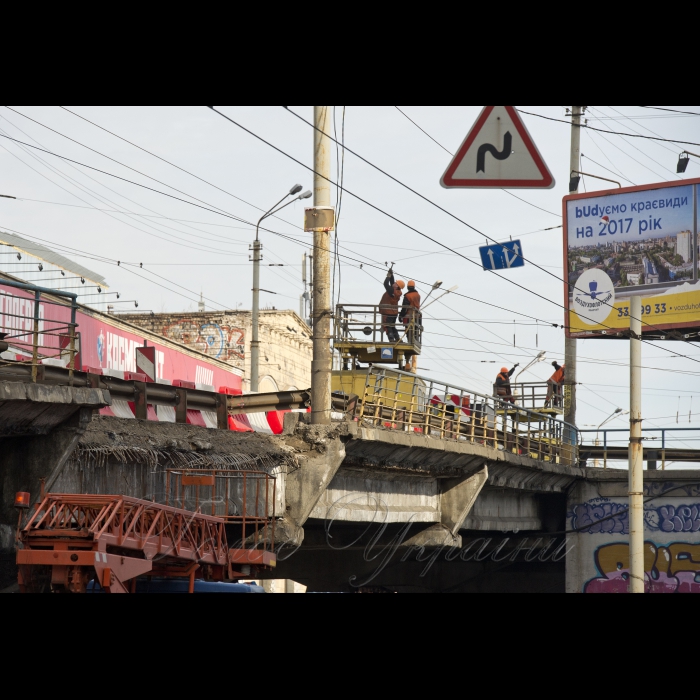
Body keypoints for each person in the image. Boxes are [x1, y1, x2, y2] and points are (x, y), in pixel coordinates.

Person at [379, 268, 405, 342]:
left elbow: (386, 284)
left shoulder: (391, 291)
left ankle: (391, 339)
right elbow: (392, 283)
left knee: (387, 326)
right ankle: (397, 338)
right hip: (394, 313)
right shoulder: (396, 292)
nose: (394, 283)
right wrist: (392, 275)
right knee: (392, 326)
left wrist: (388, 276)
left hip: (388, 312)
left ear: (397, 286)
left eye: (396, 283)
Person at [401, 281, 421, 371]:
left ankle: (410, 342)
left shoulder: (407, 296)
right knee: (415, 333)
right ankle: (414, 340)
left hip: (409, 317)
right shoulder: (418, 295)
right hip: (417, 317)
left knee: (409, 333)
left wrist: (401, 316)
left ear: (408, 287)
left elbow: (404, 307)